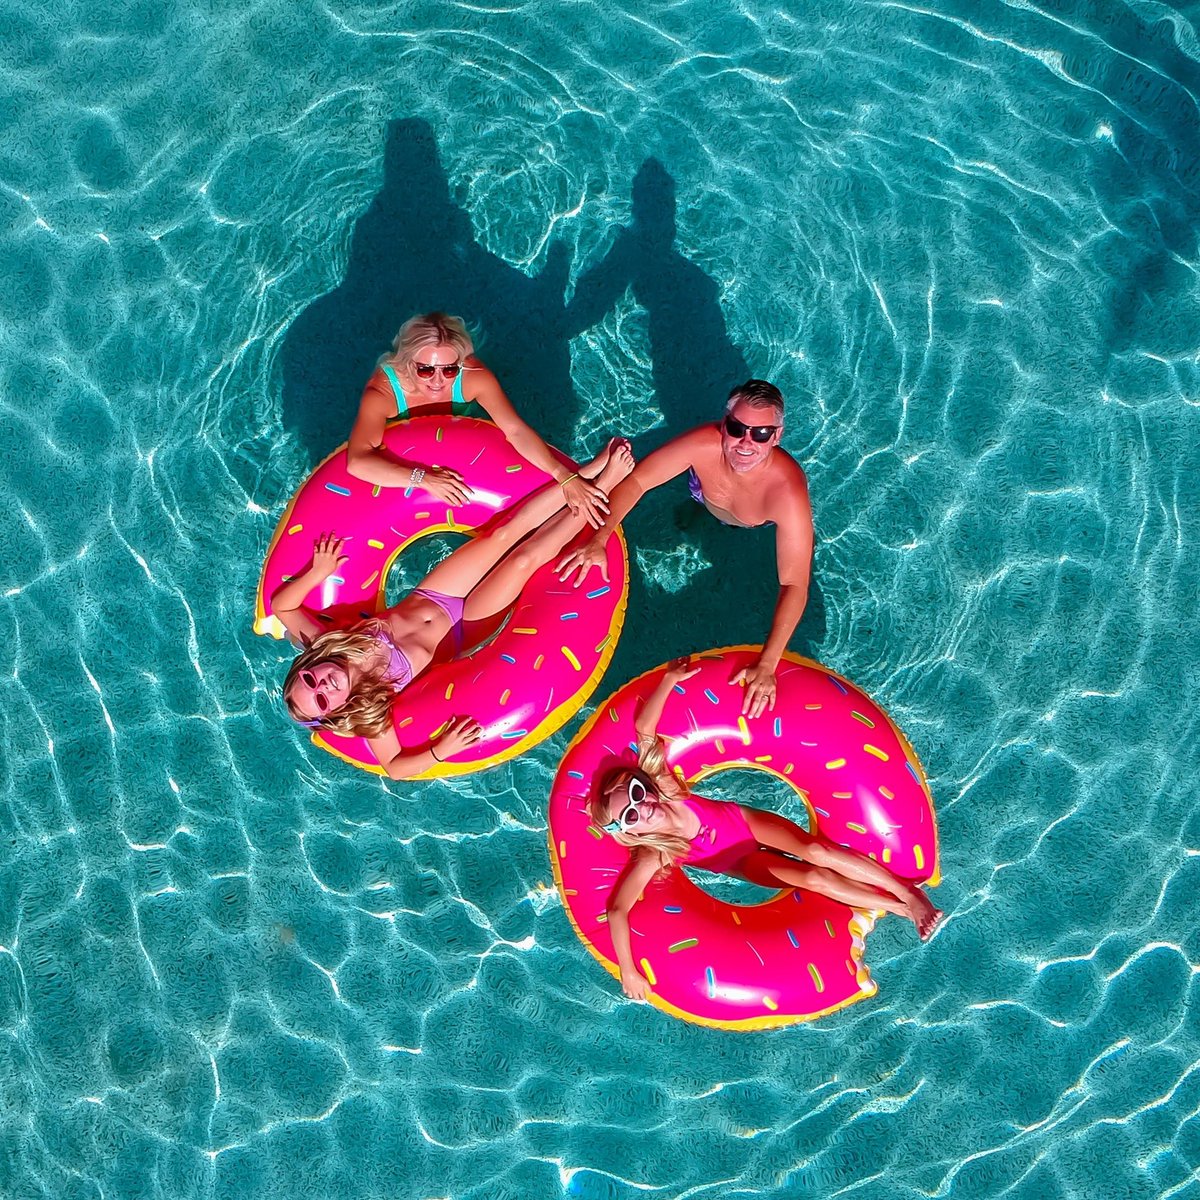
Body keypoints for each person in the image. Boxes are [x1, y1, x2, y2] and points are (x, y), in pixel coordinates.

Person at [274, 441, 634, 779]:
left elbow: (282, 606)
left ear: (306, 665)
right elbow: (396, 768)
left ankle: (588, 473)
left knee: (503, 535)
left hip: (434, 594)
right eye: (322, 699)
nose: (322, 684)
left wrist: (317, 573)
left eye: (309, 679)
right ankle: (607, 486)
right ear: (337, 711)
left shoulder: (328, 641)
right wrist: (440, 751)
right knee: (525, 560)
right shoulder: (374, 706)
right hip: (466, 625)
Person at [590, 657, 942, 1001]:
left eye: (637, 793)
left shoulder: (667, 789)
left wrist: (669, 679)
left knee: (816, 852)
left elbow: (644, 732)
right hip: (744, 863)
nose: (644, 808)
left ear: (643, 784)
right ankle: (902, 909)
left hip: (749, 824)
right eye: (632, 816)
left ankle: (910, 895)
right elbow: (618, 910)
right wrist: (628, 969)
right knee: (814, 878)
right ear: (629, 832)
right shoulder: (656, 852)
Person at [557, 380, 813, 719]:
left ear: (777, 436)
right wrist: (599, 538)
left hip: (753, 523)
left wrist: (767, 664)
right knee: (693, 514)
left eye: (761, 434)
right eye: (737, 429)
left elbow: (794, 583)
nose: (745, 443)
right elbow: (637, 481)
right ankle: (699, 513)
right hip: (702, 494)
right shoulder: (703, 444)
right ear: (725, 424)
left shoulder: (787, 493)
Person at [347, 311, 609, 526]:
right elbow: (357, 462)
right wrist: (423, 478)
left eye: (449, 369)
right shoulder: (382, 394)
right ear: (406, 363)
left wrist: (565, 477)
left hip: (459, 436)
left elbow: (515, 430)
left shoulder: (474, 377)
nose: (439, 381)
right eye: (425, 370)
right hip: (408, 452)